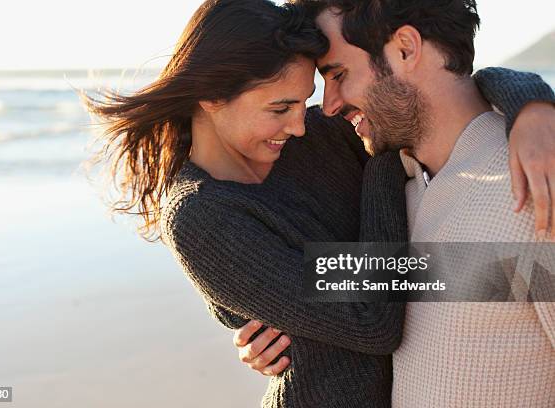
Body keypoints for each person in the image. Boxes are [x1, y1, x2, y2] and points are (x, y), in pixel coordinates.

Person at [83, 0, 555, 406]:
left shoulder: (528, 181)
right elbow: (374, 311)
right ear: (211, 96)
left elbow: (444, 97)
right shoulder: (204, 215)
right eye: (280, 108)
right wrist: (383, 163)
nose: (311, 118)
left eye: (330, 79)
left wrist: (532, 103)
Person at [234, 0, 555, 407]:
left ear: (405, 48)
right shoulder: (397, 184)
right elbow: (404, 285)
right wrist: (282, 325)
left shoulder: (536, 185)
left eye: (338, 74)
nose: (329, 104)